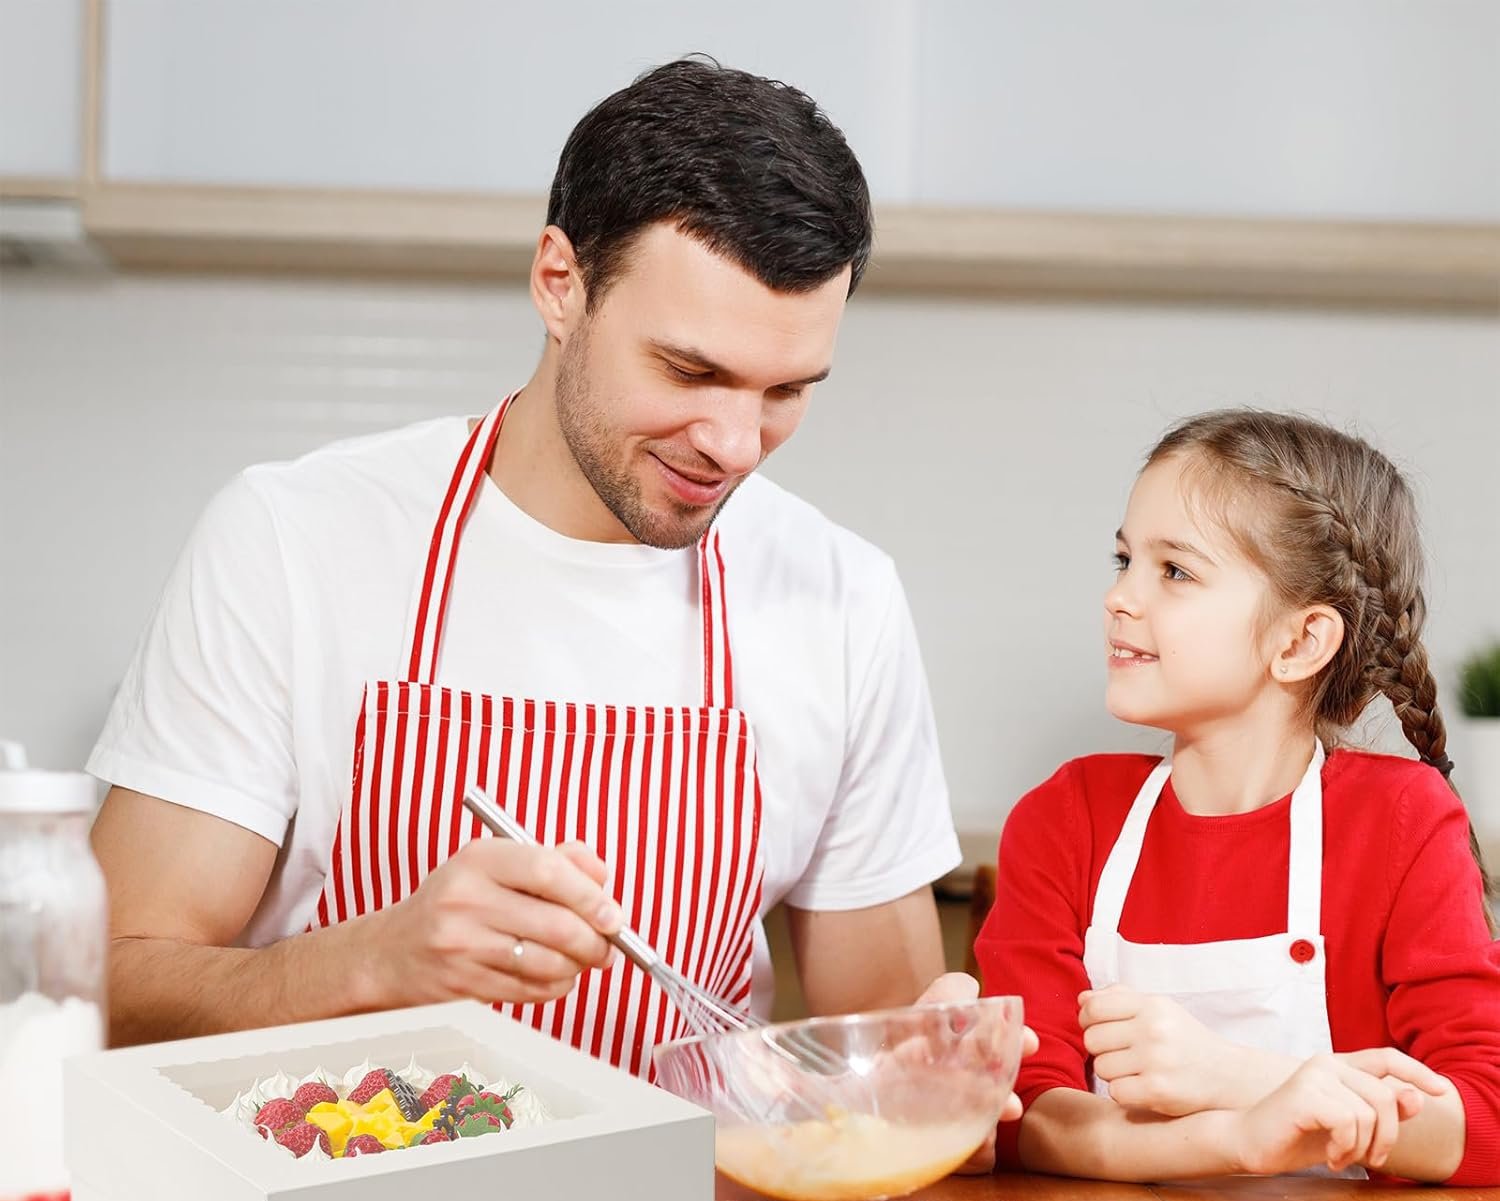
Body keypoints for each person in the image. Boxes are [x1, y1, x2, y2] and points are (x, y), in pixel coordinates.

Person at [88, 58, 969, 1085]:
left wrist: (944, 1050)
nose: (735, 442)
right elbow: (105, 994)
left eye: (786, 389)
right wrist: (367, 961)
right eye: (690, 371)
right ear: (561, 283)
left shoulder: (841, 596)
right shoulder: (292, 540)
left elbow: (889, 1049)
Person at [977, 408, 1500, 1184]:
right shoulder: (1068, 818)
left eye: (1174, 571)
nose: (1120, 597)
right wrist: (1243, 1136)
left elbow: (1484, 1121)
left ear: (1299, 642)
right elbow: (1028, 1115)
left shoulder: (1398, 822)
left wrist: (1234, 1077)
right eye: (1123, 559)